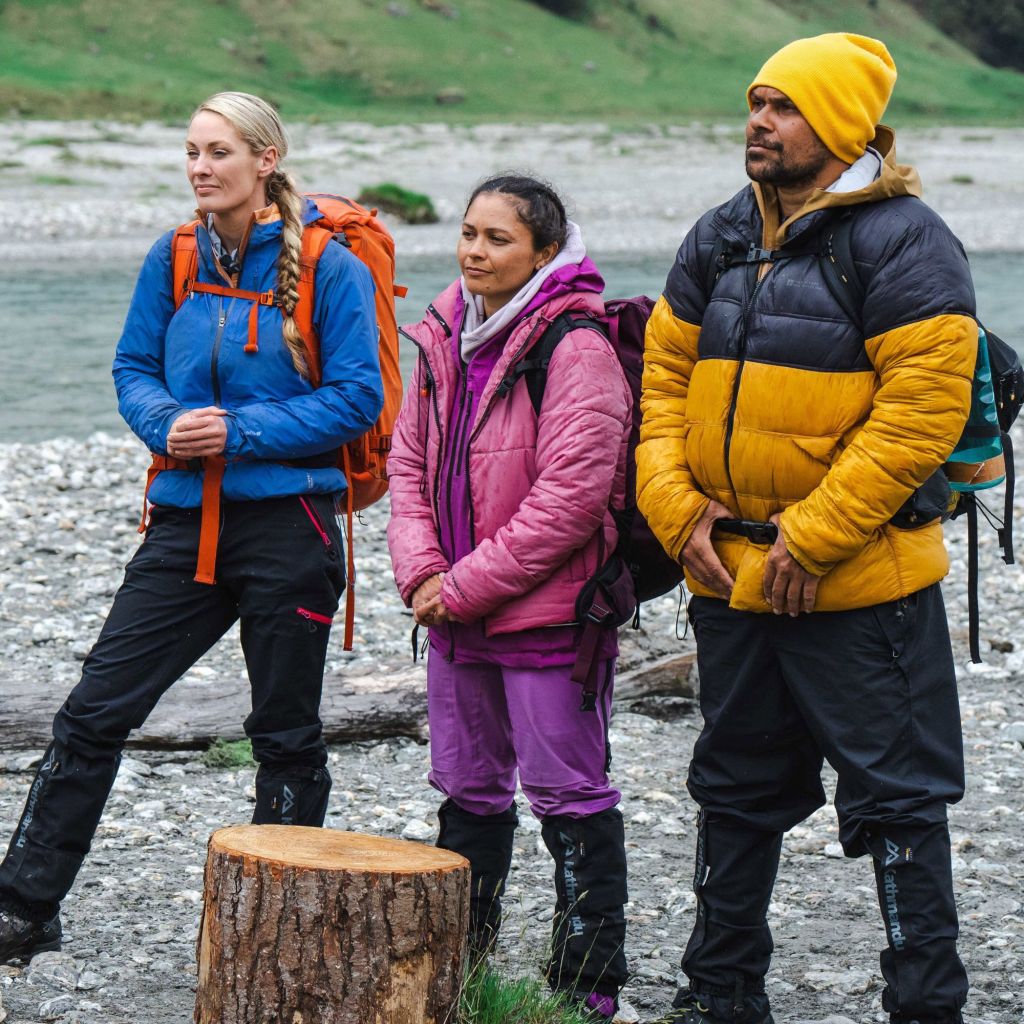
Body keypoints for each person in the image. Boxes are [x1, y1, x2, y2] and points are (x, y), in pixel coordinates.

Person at [637, 34, 975, 1024]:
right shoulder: (718, 236)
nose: (758, 121)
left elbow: (921, 408)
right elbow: (659, 383)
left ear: (838, 126)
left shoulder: (905, 239)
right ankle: (720, 994)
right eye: (755, 102)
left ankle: (925, 1005)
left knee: (899, 799)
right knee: (733, 787)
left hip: (859, 587)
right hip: (729, 576)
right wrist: (673, 510)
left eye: (782, 106)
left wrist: (812, 536)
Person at [0, 91, 382, 964]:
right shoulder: (173, 255)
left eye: (217, 152)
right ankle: (22, 907)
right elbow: (133, 364)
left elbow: (358, 397)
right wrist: (164, 421)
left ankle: (273, 935)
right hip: (183, 522)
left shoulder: (330, 267)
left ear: (266, 159)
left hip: (292, 527)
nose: (200, 167)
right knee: (93, 712)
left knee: (285, 734)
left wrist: (240, 431)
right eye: (191, 152)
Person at [387, 175, 631, 1019]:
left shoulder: (577, 347)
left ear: (544, 253)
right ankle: (463, 962)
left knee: (569, 795)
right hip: (454, 617)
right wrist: (421, 574)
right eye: (467, 233)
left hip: (547, 619)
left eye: (497, 239)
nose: (475, 252)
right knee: (467, 790)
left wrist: (461, 585)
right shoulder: (444, 333)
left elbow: (572, 498)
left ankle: (587, 983)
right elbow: (407, 466)